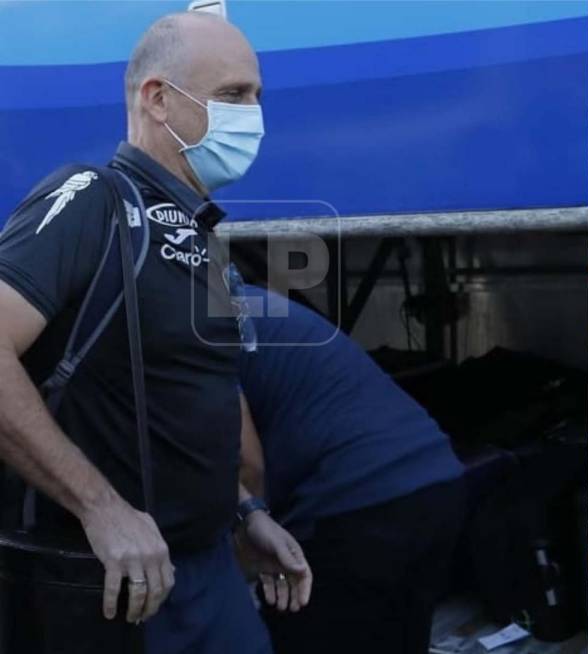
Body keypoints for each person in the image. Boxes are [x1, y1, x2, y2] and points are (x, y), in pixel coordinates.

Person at [0, 12, 307, 653]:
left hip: (209, 572)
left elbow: (179, 411)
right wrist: (99, 508)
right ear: (158, 98)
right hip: (113, 582)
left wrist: (248, 512)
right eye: (232, 95)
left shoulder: (203, 243)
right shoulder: (93, 200)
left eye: (256, 96)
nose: (253, 115)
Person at [235, 285, 467, 653]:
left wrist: (249, 550)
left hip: (357, 501)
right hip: (436, 477)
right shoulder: (239, 300)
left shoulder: (183, 319)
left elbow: (246, 464)